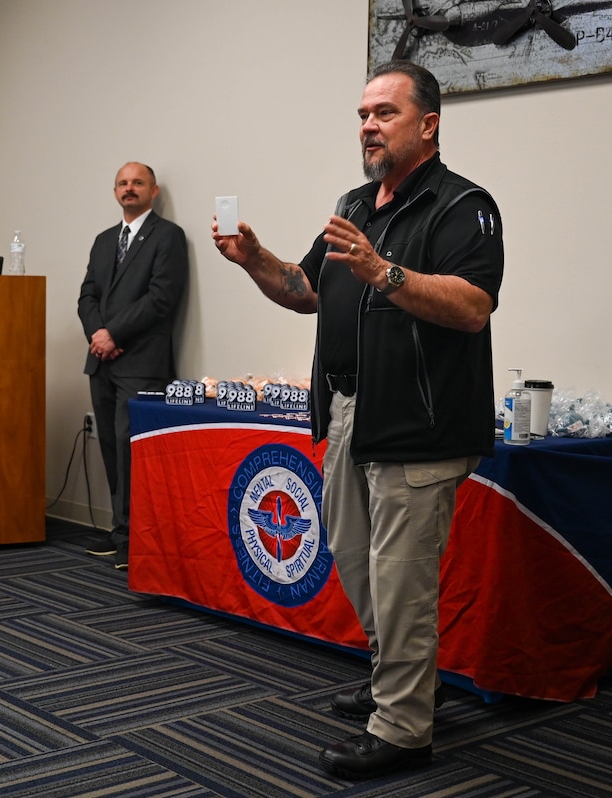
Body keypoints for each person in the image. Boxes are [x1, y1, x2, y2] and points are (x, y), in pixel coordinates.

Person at [213, 61, 503, 779]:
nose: (368, 126)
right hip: (348, 410)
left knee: (402, 579)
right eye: (362, 114)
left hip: (420, 423)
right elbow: (307, 289)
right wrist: (255, 261)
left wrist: (386, 274)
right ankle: (403, 679)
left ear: (428, 124)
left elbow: (472, 306)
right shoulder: (357, 203)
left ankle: (405, 727)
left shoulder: (462, 206)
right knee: (355, 561)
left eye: (384, 113)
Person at [78, 162, 188, 570]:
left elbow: (161, 298)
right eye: (123, 183)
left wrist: (113, 335)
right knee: (110, 448)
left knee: (133, 453)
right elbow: (87, 295)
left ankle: (137, 544)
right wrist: (97, 336)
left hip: (142, 363)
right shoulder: (105, 240)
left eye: (138, 182)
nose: (130, 188)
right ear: (115, 192)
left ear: (153, 191)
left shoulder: (168, 237)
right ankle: (120, 533)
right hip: (102, 362)